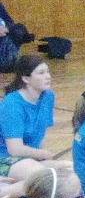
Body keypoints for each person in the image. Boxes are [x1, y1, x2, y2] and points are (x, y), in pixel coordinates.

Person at [0, 56, 68, 184]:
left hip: (30, 158)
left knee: (71, 169)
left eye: (48, 72)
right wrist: (43, 154)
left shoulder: (48, 96)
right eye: (41, 73)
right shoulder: (12, 104)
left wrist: (41, 157)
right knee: (47, 180)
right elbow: (15, 149)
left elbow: (40, 135)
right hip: (5, 158)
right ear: (26, 79)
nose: (48, 76)